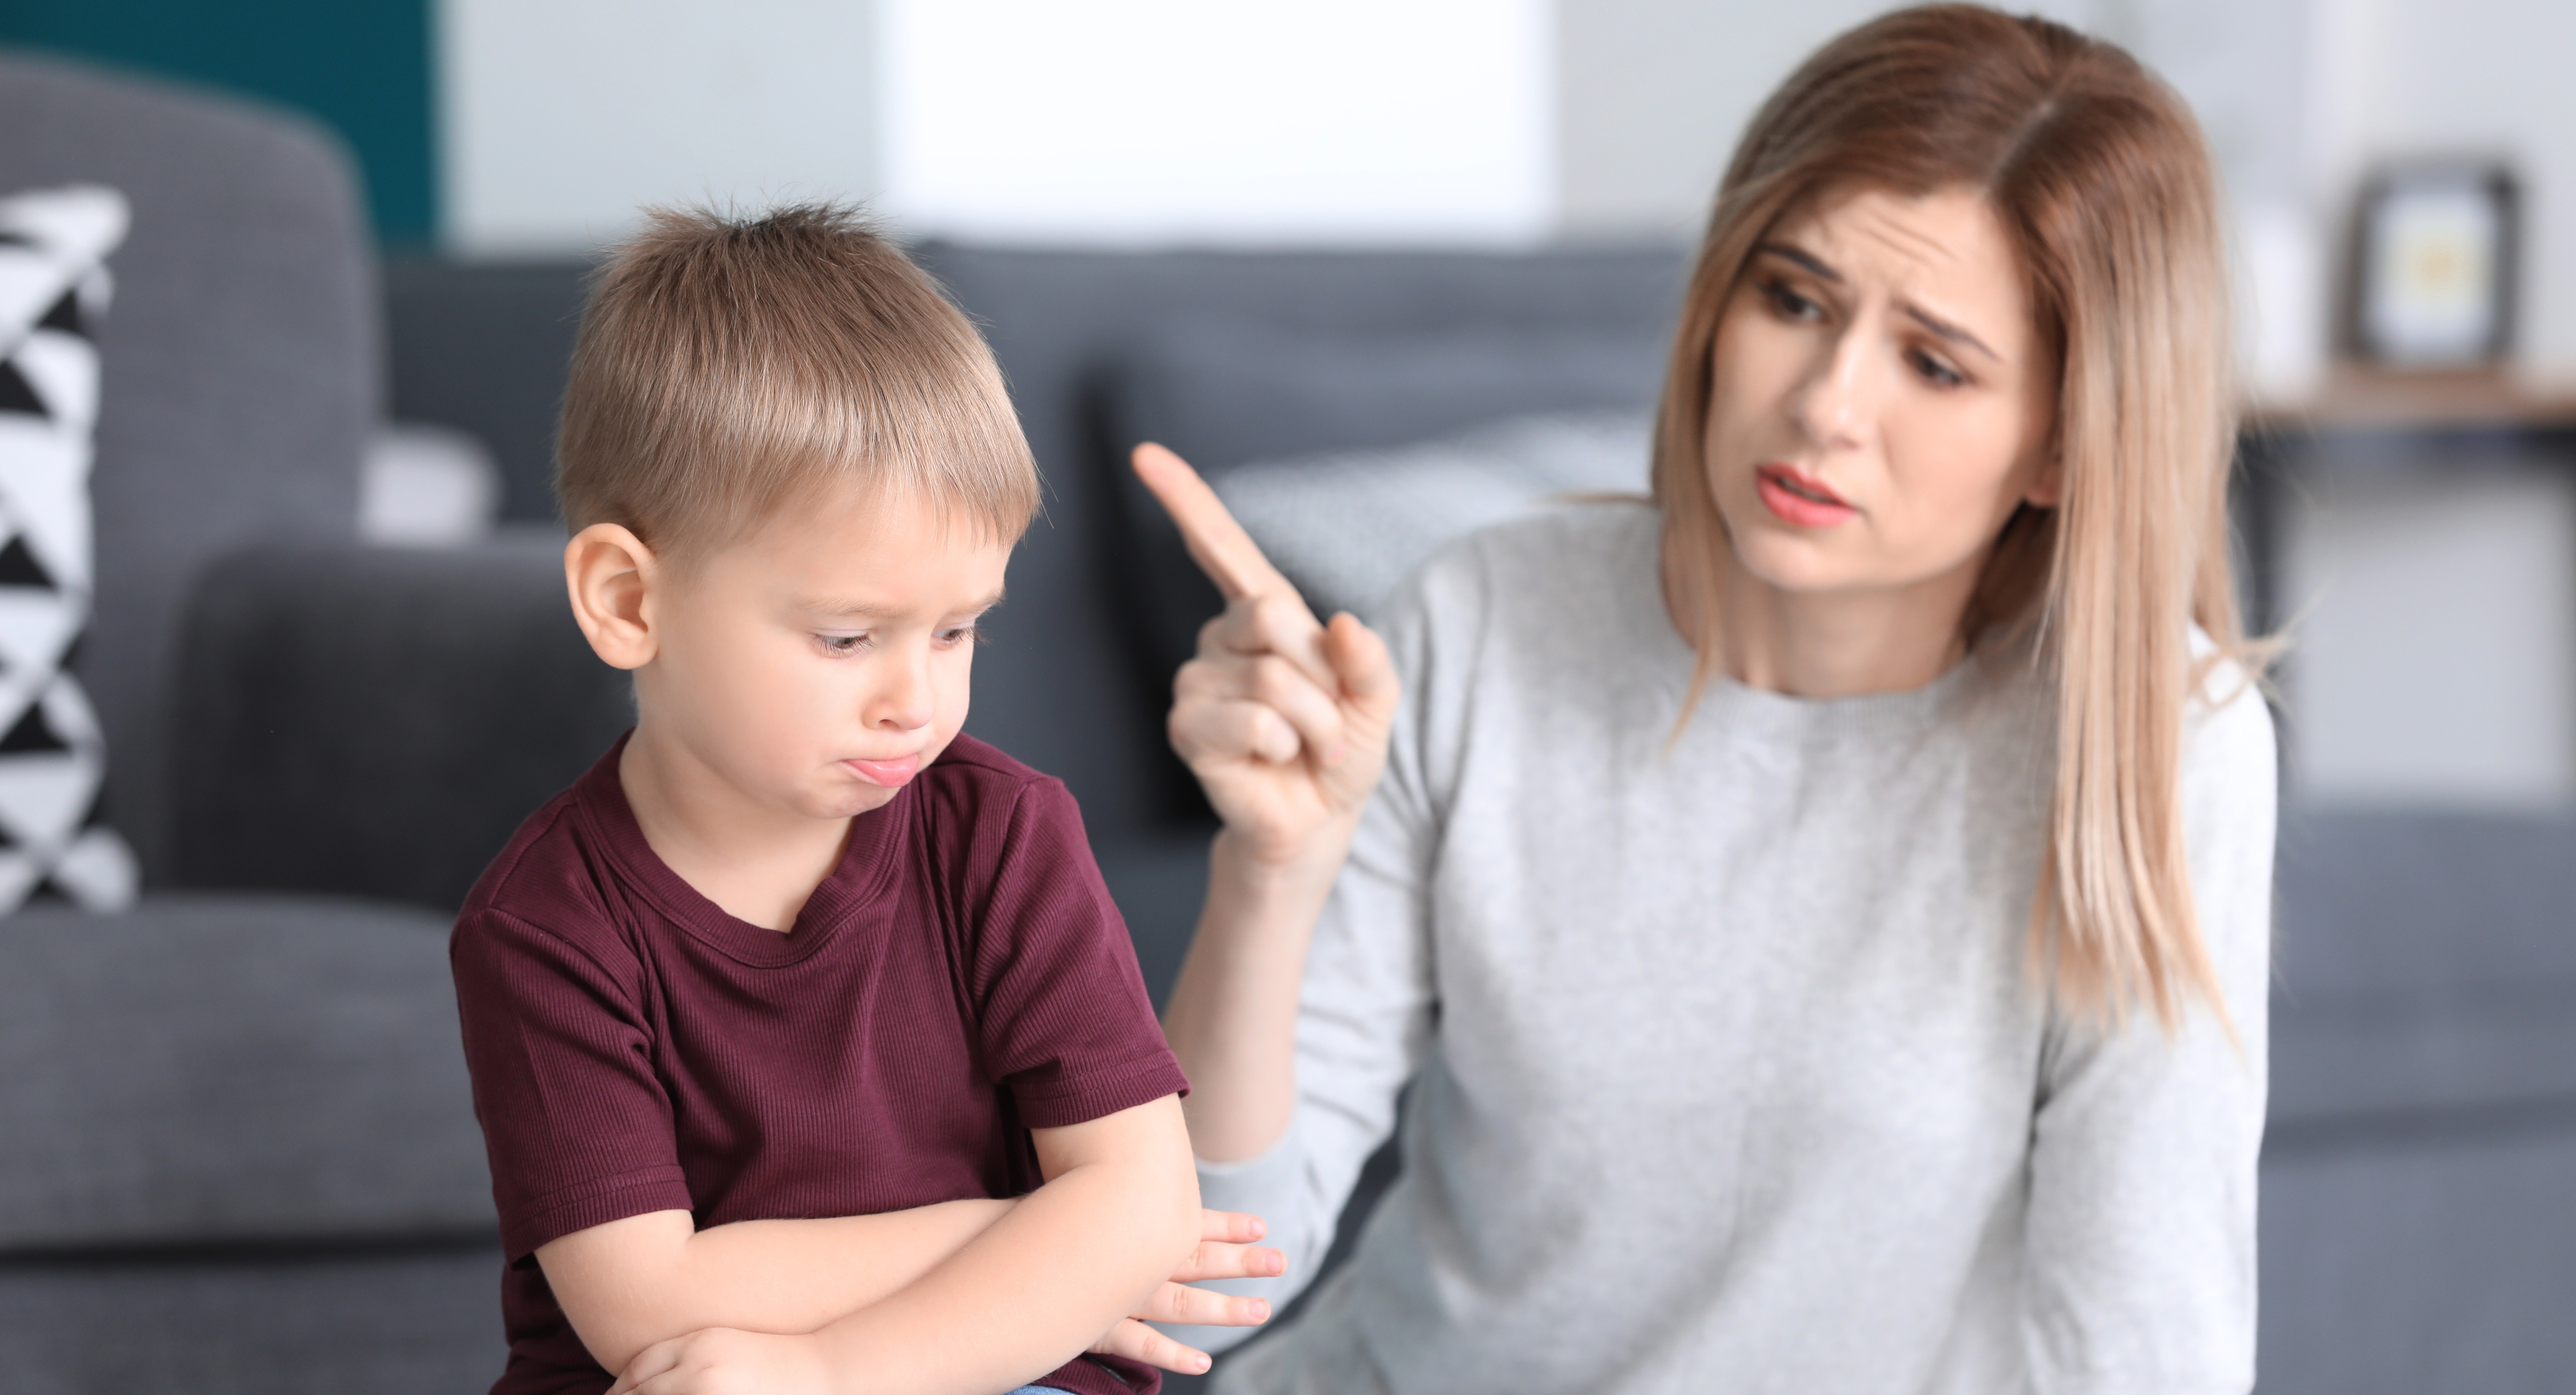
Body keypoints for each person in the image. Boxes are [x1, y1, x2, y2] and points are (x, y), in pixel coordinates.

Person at [1139, 7, 2277, 1392]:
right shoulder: (1484, 619)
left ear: (2059, 442)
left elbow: (2142, 1349)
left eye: (1935, 363)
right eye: (1794, 299)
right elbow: (1190, 1294)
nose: (1825, 404)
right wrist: (1271, 874)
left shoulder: (2160, 737)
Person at [448, 204, 1278, 1395]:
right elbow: (651, 1307)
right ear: (631, 602)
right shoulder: (543, 928)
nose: (917, 700)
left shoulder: (1003, 831)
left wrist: (837, 1367)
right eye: (849, 636)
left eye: (958, 630)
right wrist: (1040, 1229)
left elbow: (1144, 1195)